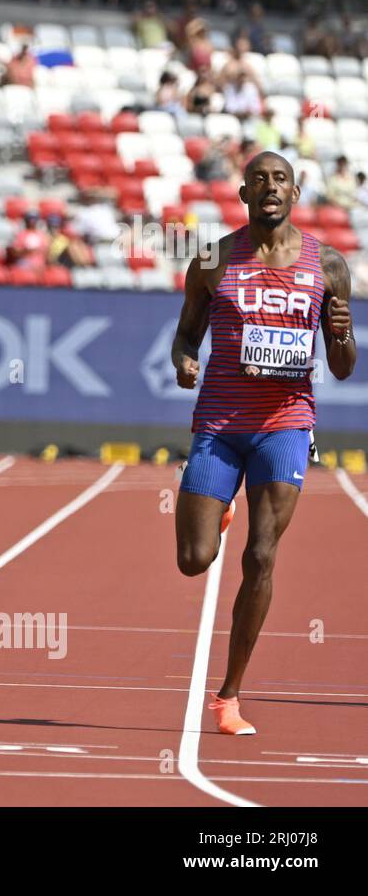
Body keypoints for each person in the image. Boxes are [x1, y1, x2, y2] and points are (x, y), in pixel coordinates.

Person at [171, 151, 356, 736]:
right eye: (259, 180)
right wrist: (184, 363)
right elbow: (185, 336)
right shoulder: (212, 261)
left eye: (280, 179)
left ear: (295, 193)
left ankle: (229, 696)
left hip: (287, 424)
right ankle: (220, 504)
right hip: (221, 424)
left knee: (261, 555)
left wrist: (344, 336)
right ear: (244, 194)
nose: (270, 188)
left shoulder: (327, 265)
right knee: (193, 560)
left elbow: (344, 367)